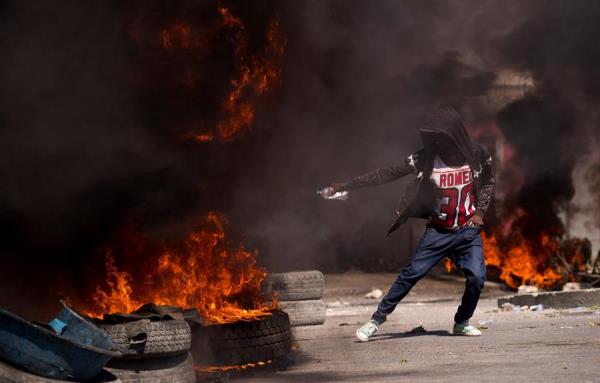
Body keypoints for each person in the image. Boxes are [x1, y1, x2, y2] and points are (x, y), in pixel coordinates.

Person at [320, 107, 495, 341]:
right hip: (438, 232)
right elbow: (388, 173)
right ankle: (375, 321)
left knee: (477, 278)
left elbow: (489, 181)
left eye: (444, 138)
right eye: (435, 138)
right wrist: (346, 185)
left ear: (456, 136)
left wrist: (480, 212)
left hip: (468, 232)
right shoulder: (425, 160)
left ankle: (462, 322)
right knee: (410, 275)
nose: (440, 143)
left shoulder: (478, 155)